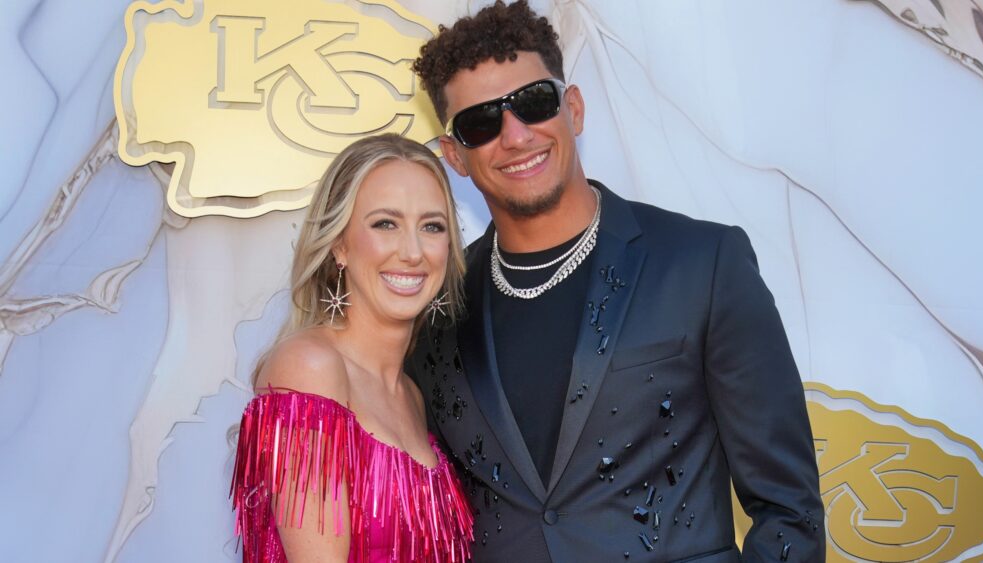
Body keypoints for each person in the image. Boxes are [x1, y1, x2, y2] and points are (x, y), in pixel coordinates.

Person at [409, 1, 825, 561]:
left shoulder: (702, 264)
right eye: (481, 123)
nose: (515, 135)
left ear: (574, 109)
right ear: (455, 156)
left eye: (534, 103)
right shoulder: (437, 312)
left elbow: (790, 511)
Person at [230, 133, 474, 562]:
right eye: (385, 224)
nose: (413, 252)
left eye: (432, 226)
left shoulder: (412, 395)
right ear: (339, 244)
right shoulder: (310, 368)